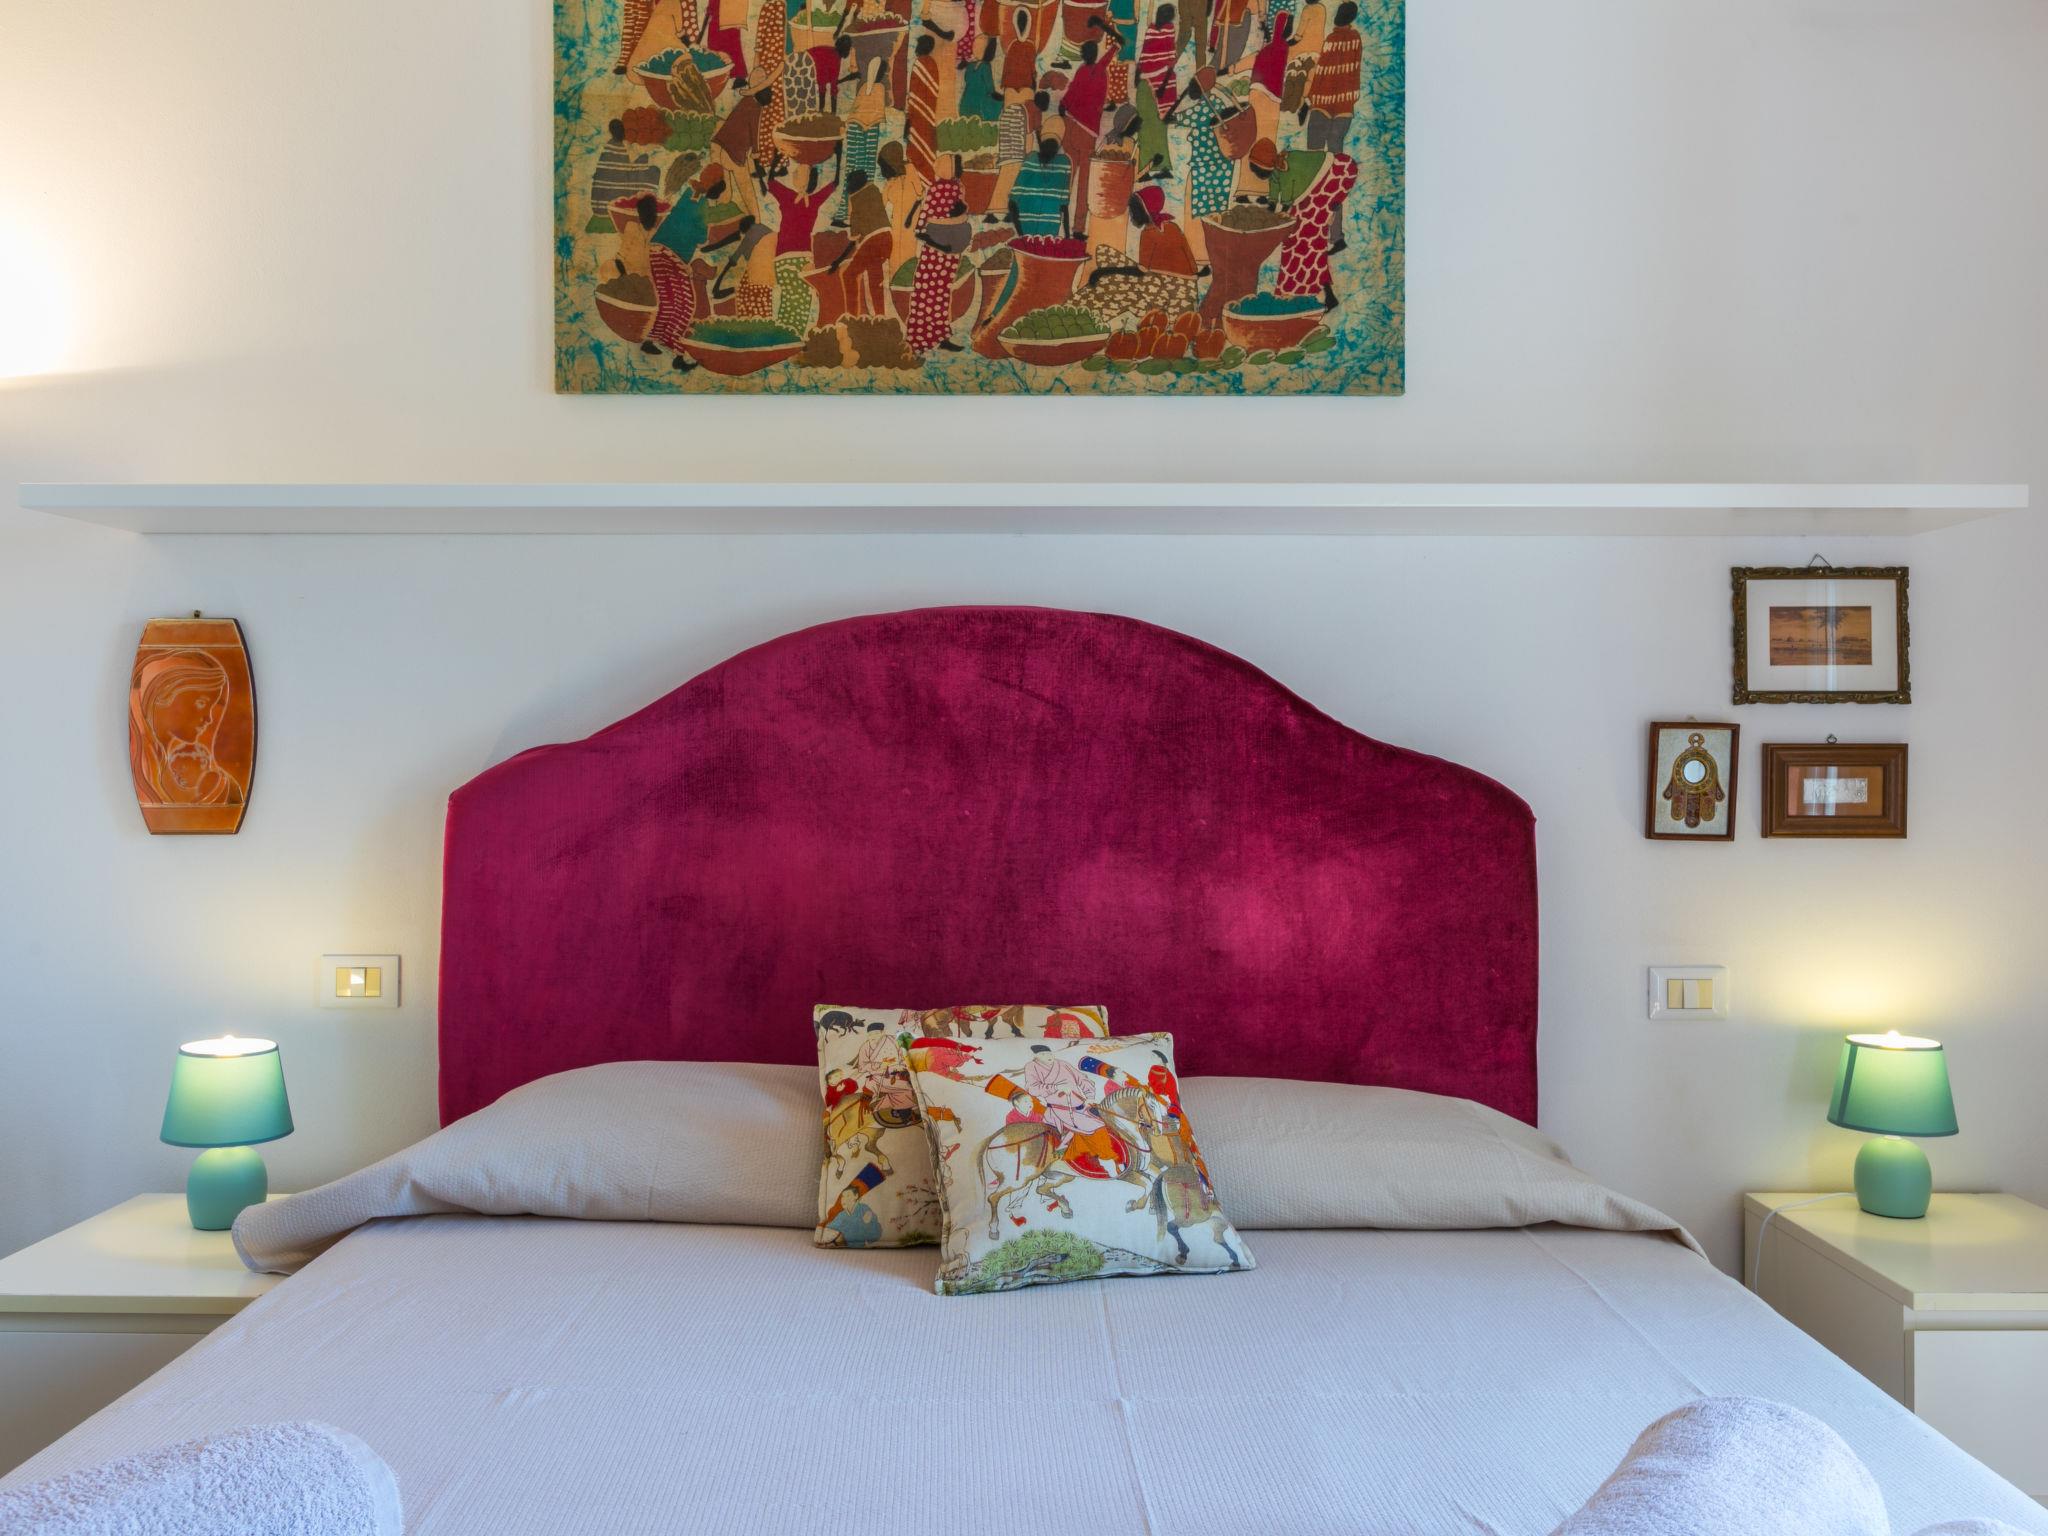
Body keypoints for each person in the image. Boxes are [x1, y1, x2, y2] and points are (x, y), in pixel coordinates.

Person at [129, 651, 244, 808]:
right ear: (164, 694)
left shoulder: (161, 763)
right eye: (201, 703)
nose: (209, 718)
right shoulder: (143, 764)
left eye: (211, 707)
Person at [1272, 147, 1356, 307]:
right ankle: (1327, 297)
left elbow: (1291, 196)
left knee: (1303, 250)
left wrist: (1332, 207)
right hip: (1310, 209)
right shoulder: (1286, 168)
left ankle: (1298, 296)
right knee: (1311, 251)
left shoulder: (1296, 163)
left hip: (1312, 208)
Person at [766, 159, 838, 329]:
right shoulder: (810, 199)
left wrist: (776, 159)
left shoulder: (789, 196)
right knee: (801, 301)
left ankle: (787, 334)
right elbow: (834, 183)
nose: (794, 173)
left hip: (786, 257)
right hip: (800, 258)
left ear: (807, 179)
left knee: (791, 300)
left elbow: (770, 181)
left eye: (798, 172)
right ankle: (791, 334)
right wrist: (838, 153)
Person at [1300, 0, 1362, 153]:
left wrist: (1309, 98)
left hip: (1322, 101)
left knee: (1314, 151)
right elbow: (1354, 71)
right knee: (1336, 150)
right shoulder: (1356, 39)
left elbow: (1321, 71)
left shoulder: (1330, 40)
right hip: (1345, 103)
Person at [591, 119, 661, 224]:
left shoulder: (610, 146)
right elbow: (628, 170)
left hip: (600, 204)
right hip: (615, 202)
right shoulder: (622, 146)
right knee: (654, 171)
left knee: (649, 168)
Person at [1009, 131, 1073, 238]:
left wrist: (1067, 237)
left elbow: (1064, 205)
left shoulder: (1064, 163)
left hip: (1049, 231)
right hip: (1027, 228)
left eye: (1052, 149)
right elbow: (1012, 202)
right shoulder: (1032, 160)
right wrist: (1021, 235)